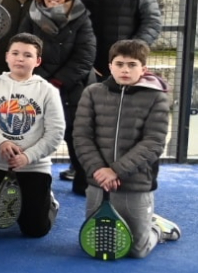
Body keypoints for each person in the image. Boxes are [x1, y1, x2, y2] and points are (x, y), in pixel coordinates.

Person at [74, 38, 175, 259]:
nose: (125, 70)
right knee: (98, 247)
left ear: (143, 68)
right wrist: (100, 170)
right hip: (98, 181)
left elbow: (154, 142)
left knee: (136, 250)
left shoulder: (157, 97)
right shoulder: (92, 92)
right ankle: (147, 221)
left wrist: (116, 170)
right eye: (119, 64)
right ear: (110, 66)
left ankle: (158, 228)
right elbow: (81, 136)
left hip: (135, 183)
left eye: (132, 65)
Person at [0, 34, 65, 237]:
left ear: (37, 61)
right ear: (6, 57)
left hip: (33, 166)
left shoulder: (48, 91)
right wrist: (0, 142)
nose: (20, 58)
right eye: (16, 53)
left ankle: (49, 202)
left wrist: (27, 157)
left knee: (35, 230)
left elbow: (56, 133)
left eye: (27, 55)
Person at [17, 0, 97, 195]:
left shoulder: (81, 18)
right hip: (37, 84)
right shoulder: (32, 16)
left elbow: (85, 55)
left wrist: (58, 81)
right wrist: (40, 79)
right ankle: (30, 178)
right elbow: (22, 46)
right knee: (32, 131)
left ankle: (83, 180)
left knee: (75, 133)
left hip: (72, 86)